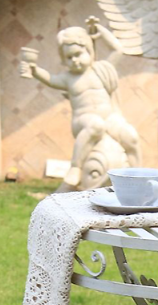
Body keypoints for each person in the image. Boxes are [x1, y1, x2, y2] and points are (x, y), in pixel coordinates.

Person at [19, 21, 141, 188]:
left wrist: (102, 32)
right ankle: (75, 167)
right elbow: (50, 79)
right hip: (83, 121)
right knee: (96, 125)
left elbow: (117, 50)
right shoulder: (68, 78)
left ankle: (137, 175)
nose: (75, 60)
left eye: (78, 54)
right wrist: (34, 70)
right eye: (69, 57)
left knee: (130, 136)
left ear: (89, 51)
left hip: (110, 118)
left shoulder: (100, 69)